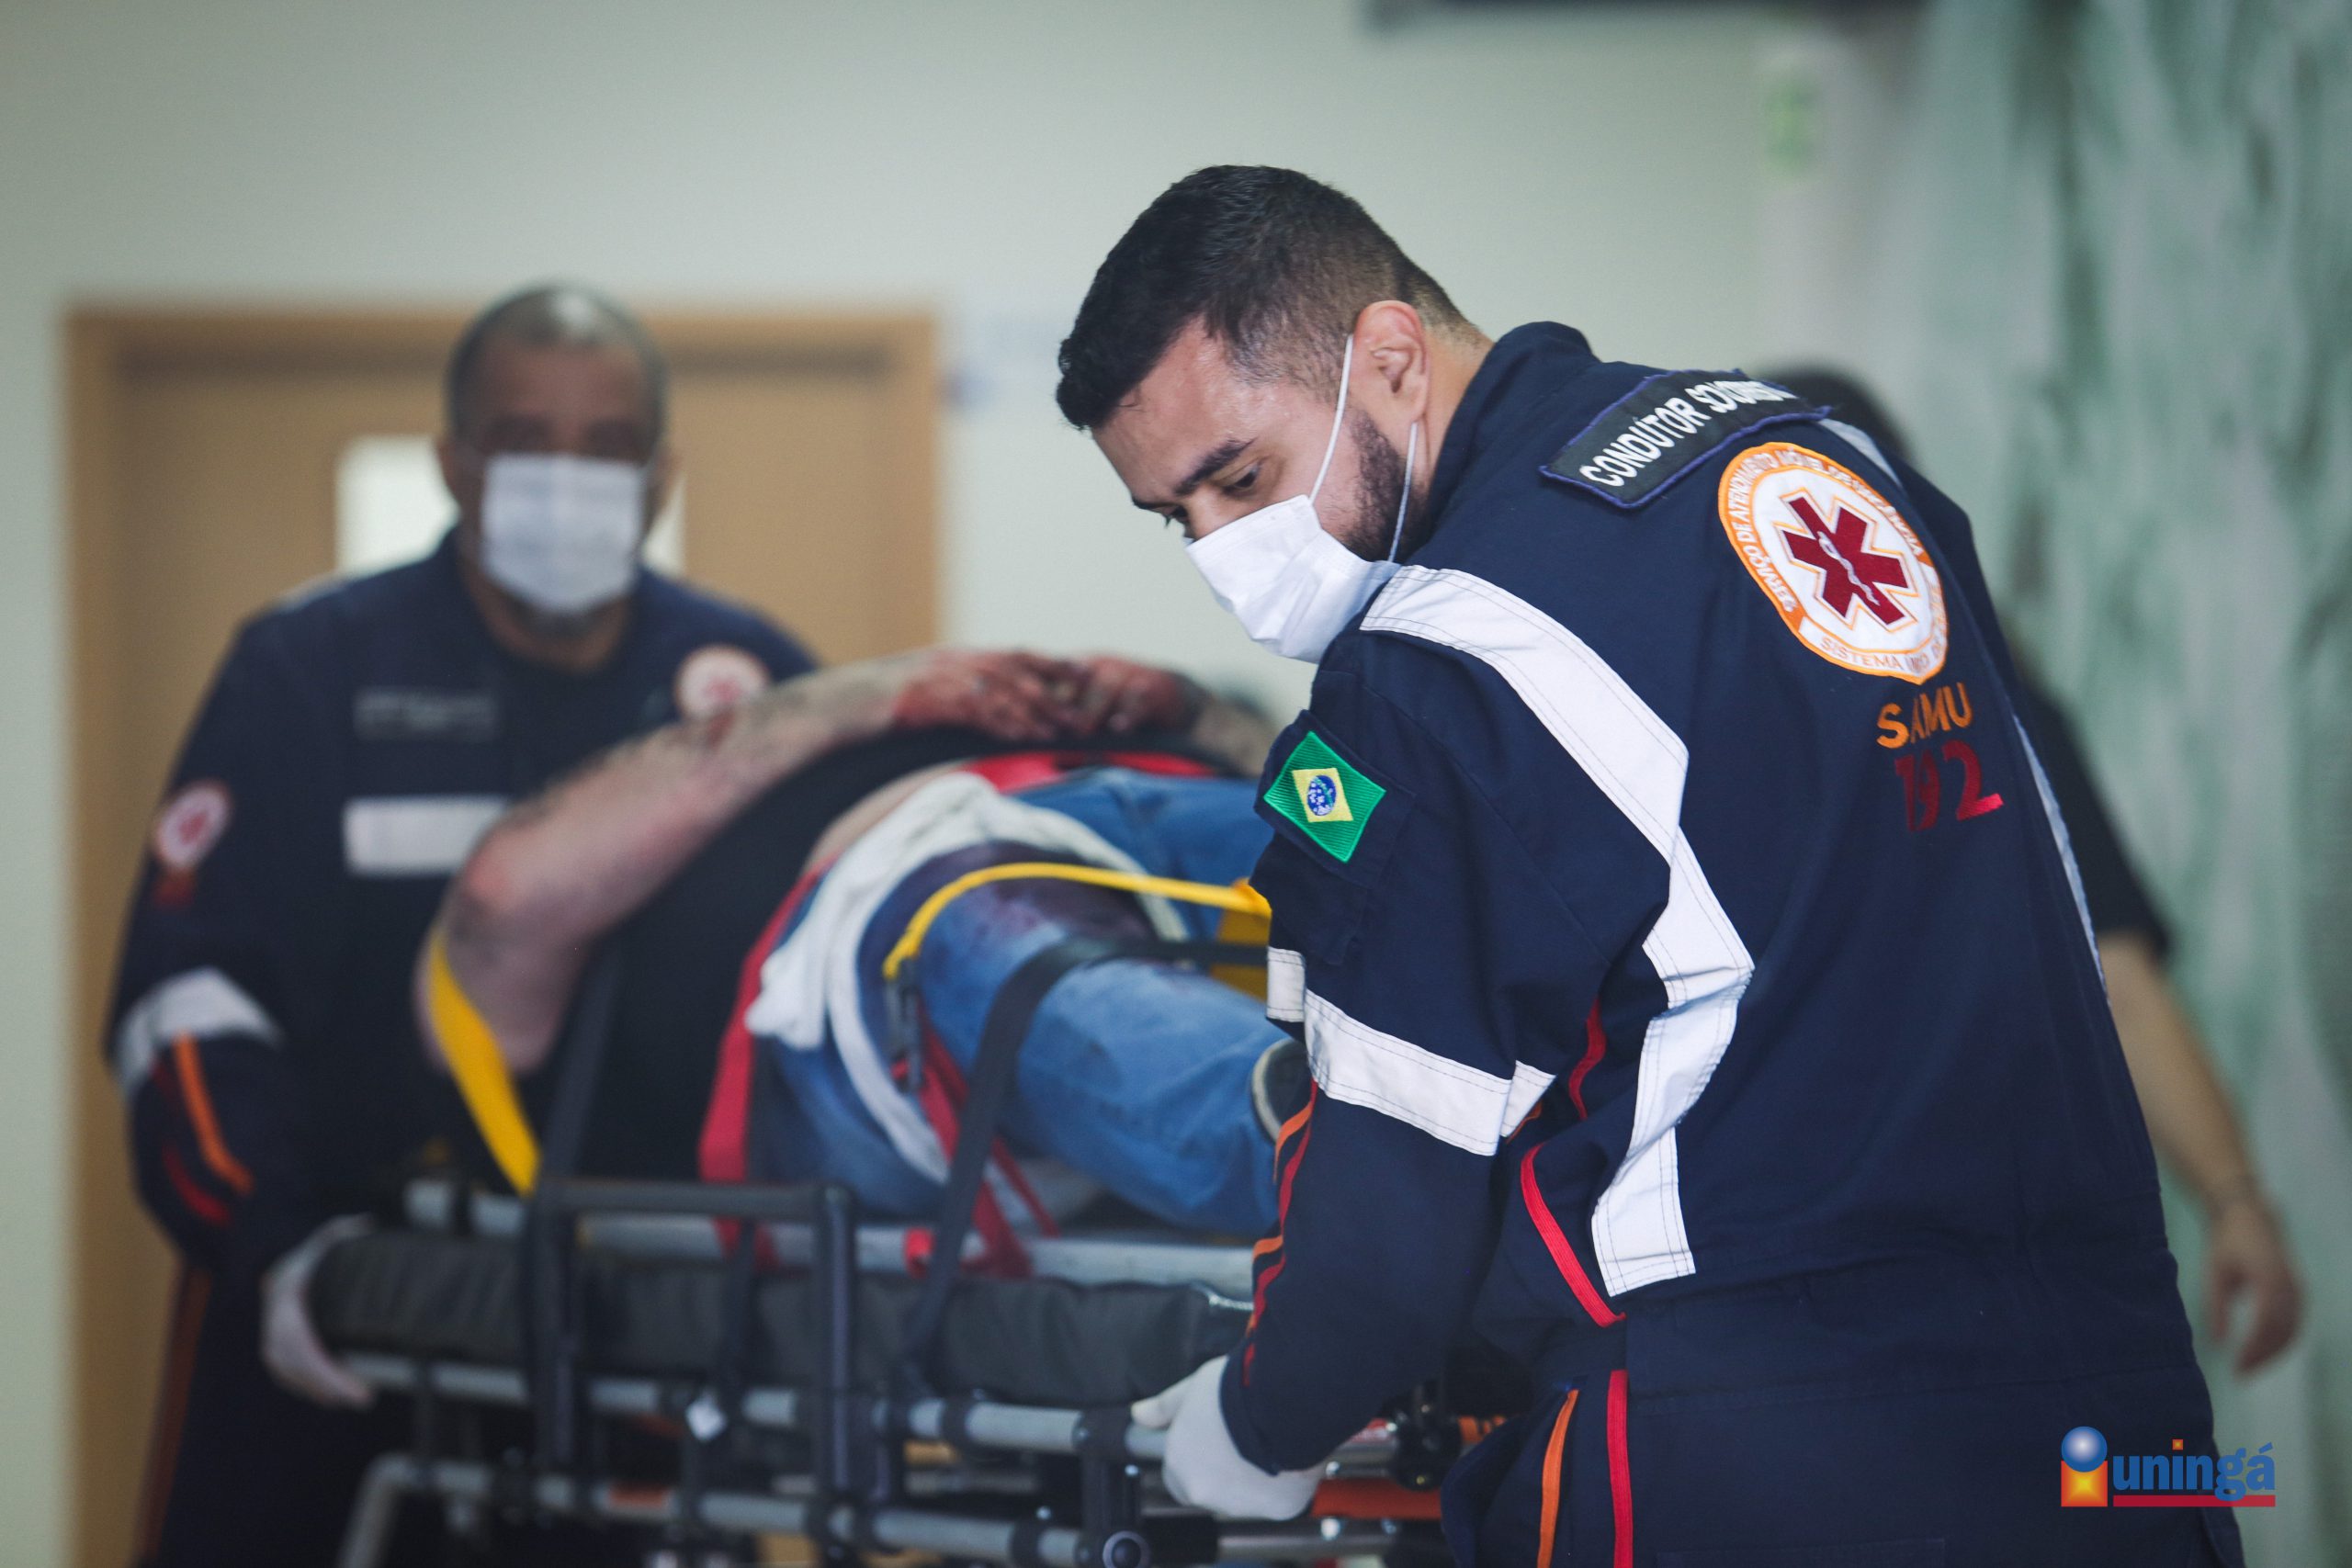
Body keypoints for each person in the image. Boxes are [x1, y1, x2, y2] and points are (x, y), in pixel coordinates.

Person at [1054, 167, 2242, 1566]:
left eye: (1241, 479)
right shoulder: (1817, 458)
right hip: (2109, 1402)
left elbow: (1384, 1225)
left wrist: (1258, 1425)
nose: (1220, 552)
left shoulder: (1432, 668)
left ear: (1390, 358)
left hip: (1752, 1445)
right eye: (1176, 515)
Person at [106, 283, 827, 1567]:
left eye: (607, 445)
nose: (567, 478)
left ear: (659, 476)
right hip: (337, 1307)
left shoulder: (750, 685)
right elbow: (187, 1005)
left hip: (637, 1331)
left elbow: (813, 1002)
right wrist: (276, 1248)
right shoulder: (308, 671)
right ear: (454, 463)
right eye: (524, 440)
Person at [1766, 367, 2302, 1378]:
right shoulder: (1717, 742)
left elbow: (2116, 981)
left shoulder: (1995, 721)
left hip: (1983, 1278)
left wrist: (2234, 1199)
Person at [421, 653, 1298, 1236]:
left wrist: (1190, 707)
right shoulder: (521, 968)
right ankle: (1325, 1146)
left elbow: (1287, 767)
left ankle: (1349, 1118)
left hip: (1136, 791)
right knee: (999, 949)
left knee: (1361, 836)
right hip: (909, 911)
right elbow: (502, 891)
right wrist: (881, 692)